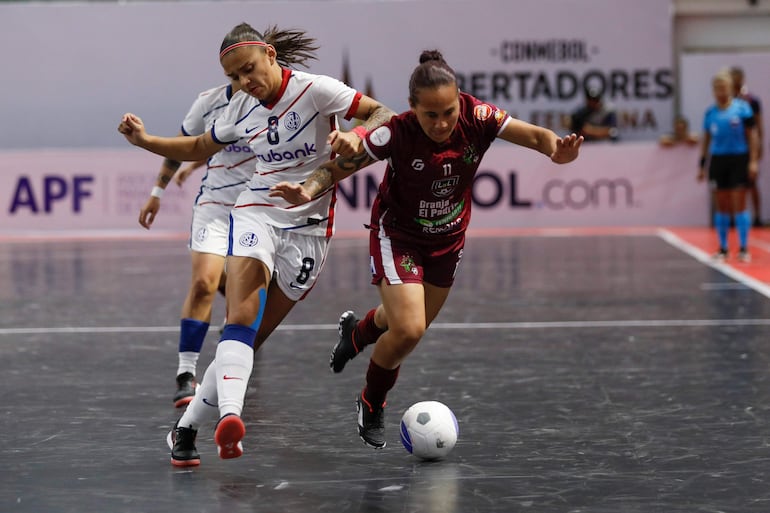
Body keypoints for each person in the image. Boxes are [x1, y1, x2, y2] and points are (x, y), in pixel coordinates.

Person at [269, 50, 583, 449]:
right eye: (430, 115)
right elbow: (337, 167)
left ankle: (358, 331)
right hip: (398, 234)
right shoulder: (397, 133)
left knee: (406, 324)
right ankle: (372, 400)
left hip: (448, 238)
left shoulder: (478, 117)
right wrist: (308, 188)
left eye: (449, 111)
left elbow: (539, 138)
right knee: (410, 328)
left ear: (460, 100)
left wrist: (558, 150)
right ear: (413, 108)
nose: (442, 123)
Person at [118, 22, 396, 466]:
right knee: (240, 319)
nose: (245, 82)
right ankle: (232, 417)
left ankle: (185, 431)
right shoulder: (238, 110)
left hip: (309, 228)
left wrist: (355, 136)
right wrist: (145, 141)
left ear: (269, 55)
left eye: (248, 69)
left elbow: (382, 115)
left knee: (247, 342)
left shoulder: (316, 90)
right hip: (255, 211)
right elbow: (198, 146)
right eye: (235, 77)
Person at [138, 78, 254, 409]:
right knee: (204, 282)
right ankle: (185, 375)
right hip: (215, 205)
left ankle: (238, 337)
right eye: (235, 71)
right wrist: (156, 192)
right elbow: (191, 143)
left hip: (257, 206)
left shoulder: (272, 102)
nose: (243, 77)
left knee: (242, 298)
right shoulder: (209, 102)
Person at [697, 69, 760, 262]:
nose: (720, 91)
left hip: (739, 158)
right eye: (717, 87)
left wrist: (753, 161)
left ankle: (743, 247)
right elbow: (706, 140)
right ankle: (723, 247)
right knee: (721, 204)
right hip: (719, 160)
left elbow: (752, 135)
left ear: (731, 88)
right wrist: (702, 165)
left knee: (739, 201)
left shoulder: (742, 109)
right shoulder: (710, 113)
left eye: (723, 87)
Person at [730, 66, 764, 226]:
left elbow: (758, 124)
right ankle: (731, 218)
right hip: (732, 148)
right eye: (732, 78)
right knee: (730, 185)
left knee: (751, 183)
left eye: (737, 78)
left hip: (748, 146)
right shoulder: (726, 100)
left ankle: (757, 217)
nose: (735, 81)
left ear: (742, 79)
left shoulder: (751, 100)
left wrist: (758, 146)